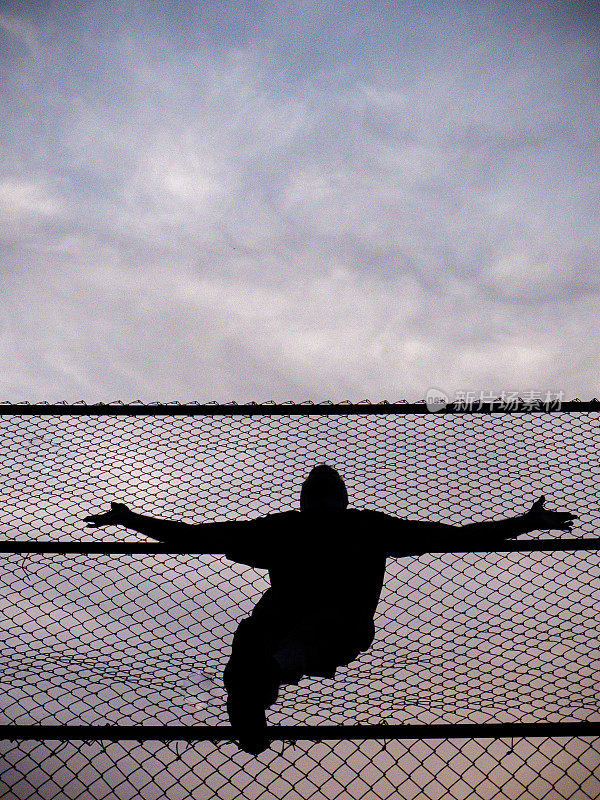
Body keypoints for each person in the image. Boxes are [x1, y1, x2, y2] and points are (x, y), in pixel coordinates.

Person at [84, 465, 577, 755]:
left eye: (325, 499)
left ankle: (265, 677)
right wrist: (132, 519)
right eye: (315, 499)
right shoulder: (293, 530)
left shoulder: (363, 529)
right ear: (310, 504)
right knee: (253, 635)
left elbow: (455, 537)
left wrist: (523, 523)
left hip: (337, 627)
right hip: (289, 628)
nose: (319, 507)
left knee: (301, 632)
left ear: (338, 502)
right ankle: (252, 695)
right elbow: (200, 535)